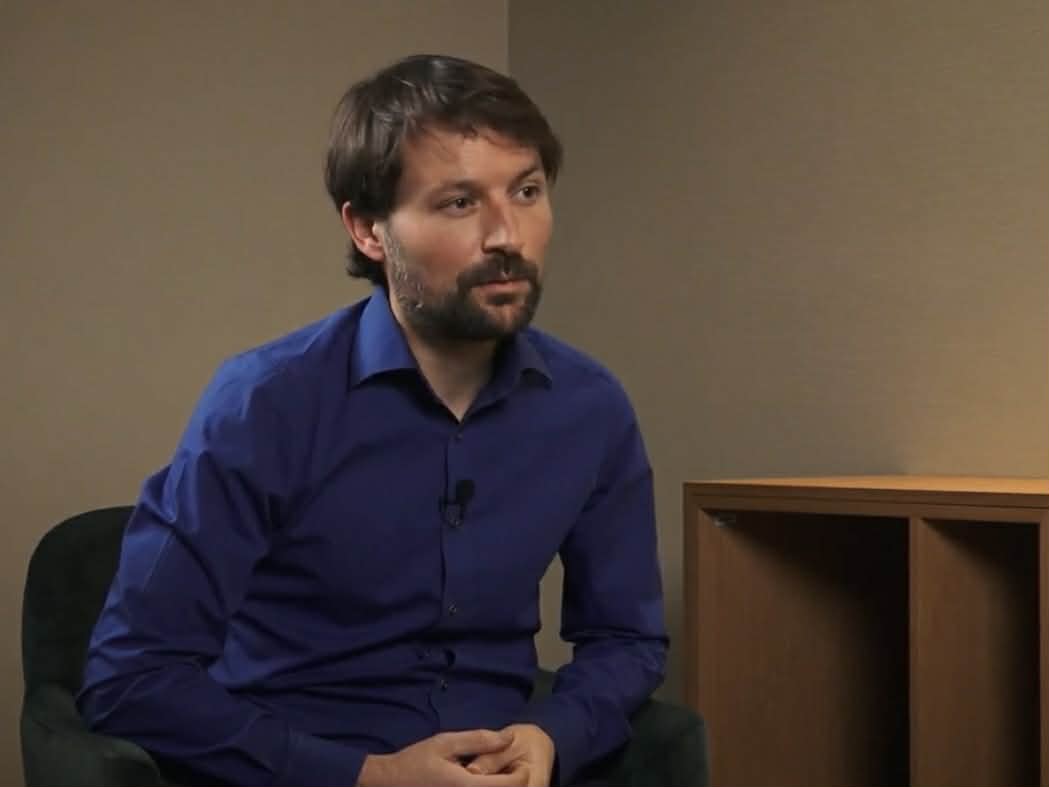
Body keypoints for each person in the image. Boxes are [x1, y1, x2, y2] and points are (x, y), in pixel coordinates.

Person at [79, 53, 667, 787]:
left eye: (526, 191)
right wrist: (367, 775)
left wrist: (553, 736)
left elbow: (626, 639)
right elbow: (129, 678)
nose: (506, 235)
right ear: (367, 230)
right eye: (459, 202)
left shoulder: (590, 407)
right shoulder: (265, 404)